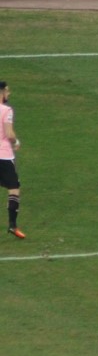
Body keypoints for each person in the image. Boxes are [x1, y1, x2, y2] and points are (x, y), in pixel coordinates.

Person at [0, 82, 25, 239]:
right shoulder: (6, 110)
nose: (9, 93)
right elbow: (9, 134)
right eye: (7, 91)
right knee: (14, 187)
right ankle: (12, 225)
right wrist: (16, 142)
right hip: (3, 156)